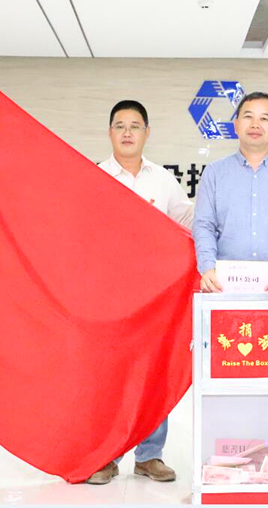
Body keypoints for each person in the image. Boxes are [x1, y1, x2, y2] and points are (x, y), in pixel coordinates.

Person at [87, 100, 193, 485]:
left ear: (147, 133)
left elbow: (188, 226)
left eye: (135, 126)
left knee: (152, 376)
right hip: (108, 296)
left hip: (155, 297)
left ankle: (150, 456)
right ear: (110, 133)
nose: (128, 132)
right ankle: (106, 455)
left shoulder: (163, 181)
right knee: (110, 378)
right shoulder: (95, 178)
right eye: (120, 125)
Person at [193, 91, 268, 293]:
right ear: (236, 125)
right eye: (248, 117)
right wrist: (207, 268)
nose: (255, 125)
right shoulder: (214, 173)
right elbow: (204, 226)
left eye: (264, 118)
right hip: (223, 284)